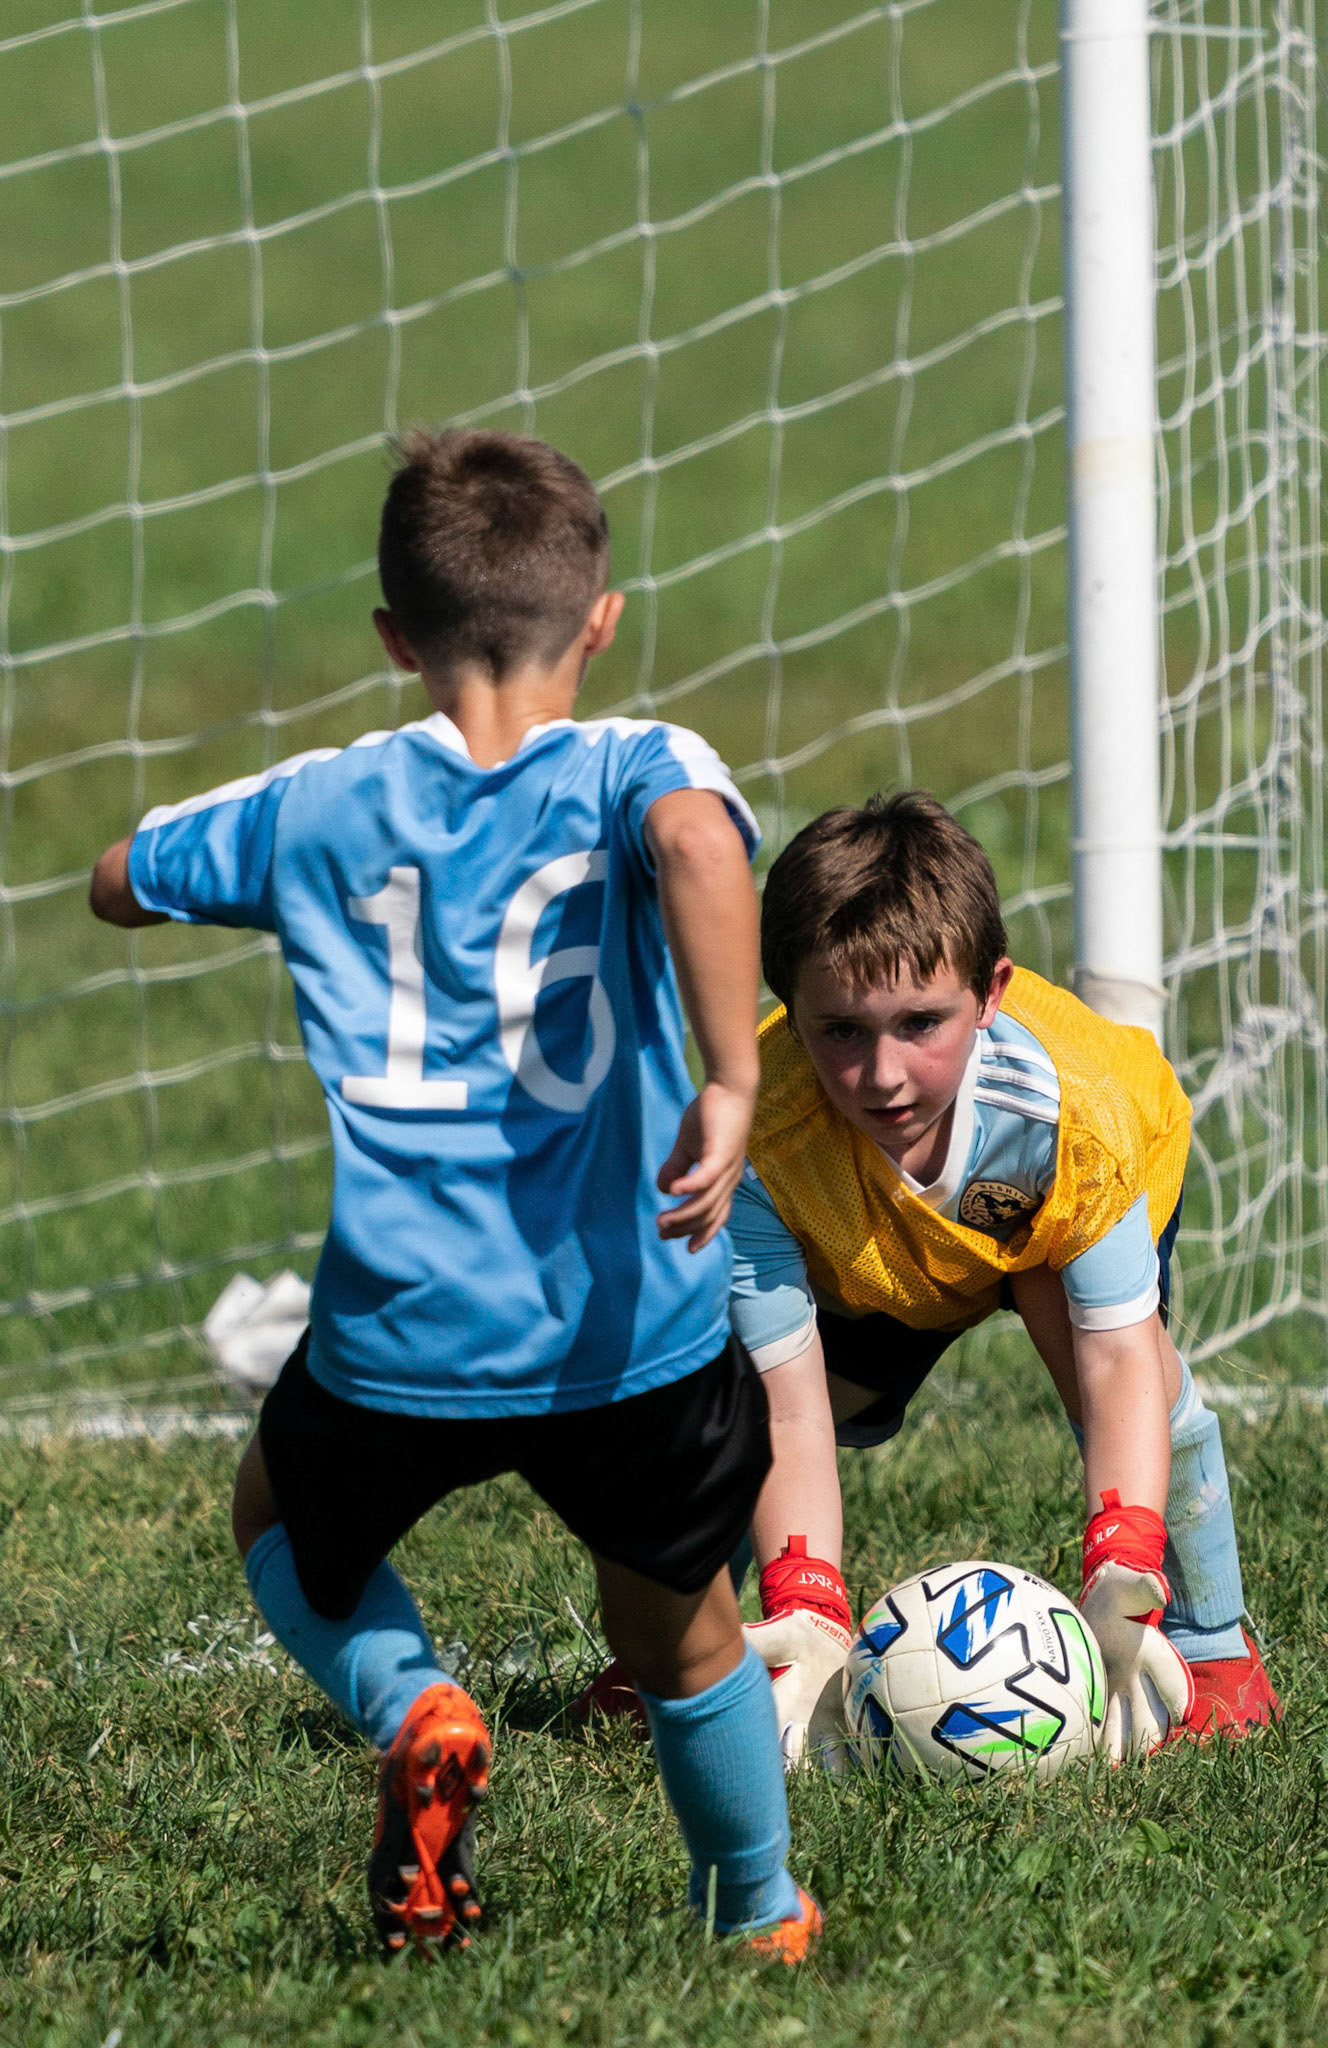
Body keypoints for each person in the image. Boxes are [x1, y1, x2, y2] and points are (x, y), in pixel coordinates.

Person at [89, 428, 819, 1961]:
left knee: (278, 1521)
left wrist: (255, 856)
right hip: (630, 1327)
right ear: (601, 619)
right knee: (681, 1635)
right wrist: (732, 1082)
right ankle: (756, 1913)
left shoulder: (319, 801)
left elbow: (116, 875)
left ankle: (412, 1703)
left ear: (393, 640)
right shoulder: (641, 764)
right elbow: (696, 839)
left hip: (399, 1338)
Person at [582, 791, 1280, 1766]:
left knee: (1131, 1376)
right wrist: (812, 1609)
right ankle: (682, 1646)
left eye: (921, 1022)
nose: (885, 1072)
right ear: (786, 1003)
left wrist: (1124, 1559)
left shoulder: (1078, 1115)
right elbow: (785, 1409)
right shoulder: (763, 1144)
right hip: (875, 1250)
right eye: (841, 1032)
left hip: (1059, 1212)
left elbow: (1121, 1363)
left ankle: (1213, 1648)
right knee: (724, 1412)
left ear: (990, 992)